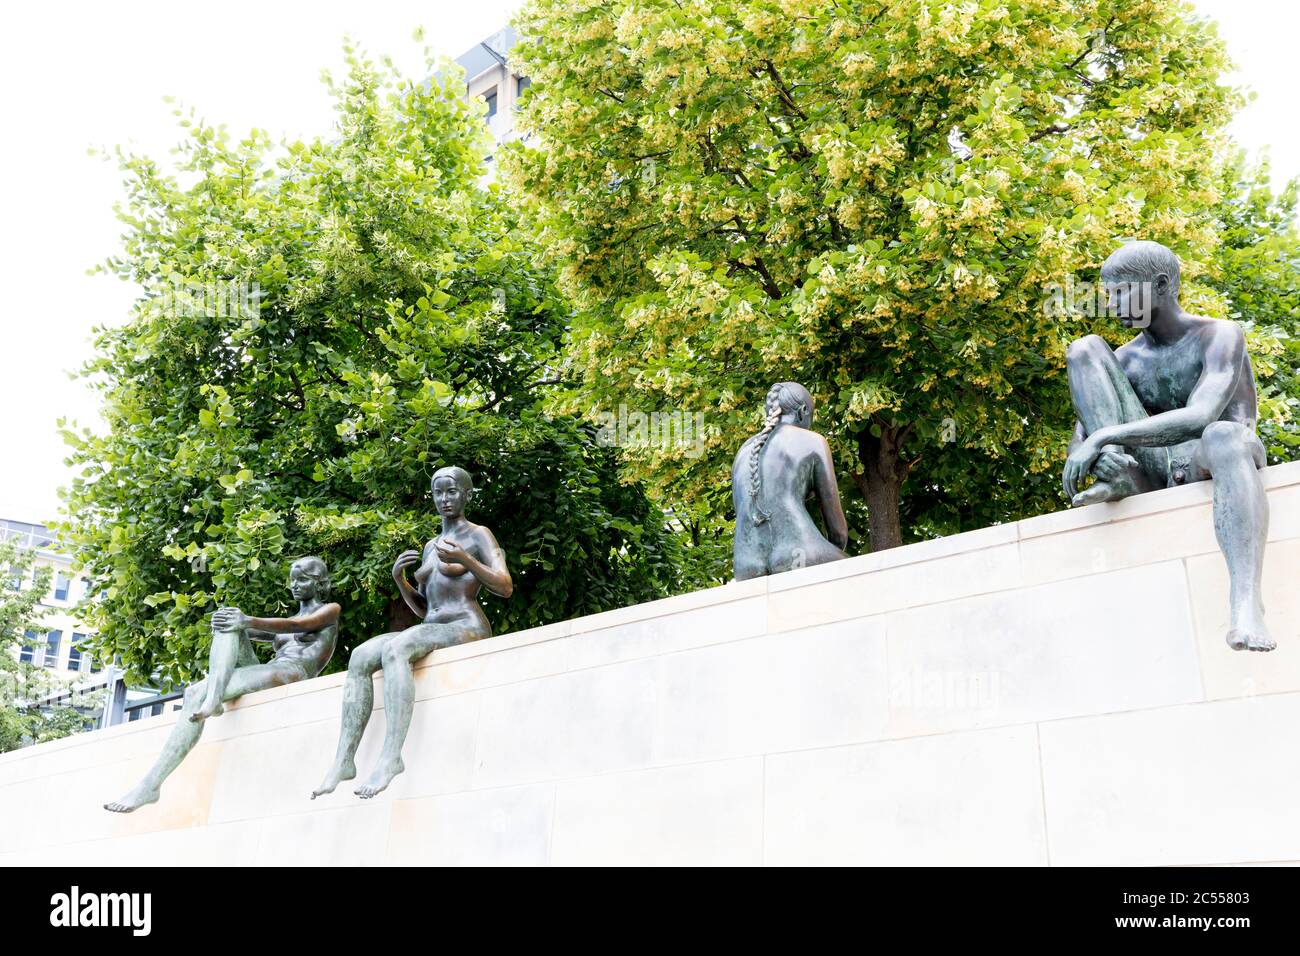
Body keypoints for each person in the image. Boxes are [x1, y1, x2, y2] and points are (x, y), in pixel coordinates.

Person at [1062, 239, 1273, 652]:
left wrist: (1106, 436)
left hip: (1212, 456)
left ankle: (1247, 603)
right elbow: (1079, 442)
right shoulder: (1125, 360)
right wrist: (1096, 456)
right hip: (1154, 469)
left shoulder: (1219, 335)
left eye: (1122, 291)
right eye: (1110, 294)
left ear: (1160, 285)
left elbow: (1202, 416)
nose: (1113, 304)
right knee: (1084, 348)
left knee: (1224, 434)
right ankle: (1120, 477)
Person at [312, 466, 512, 799]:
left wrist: (466, 558)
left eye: (451, 492)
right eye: (438, 493)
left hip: (466, 624)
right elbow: (425, 607)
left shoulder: (479, 535)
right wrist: (401, 582)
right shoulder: (431, 546)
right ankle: (344, 760)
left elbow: (504, 586)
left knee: (397, 649)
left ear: (467, 495)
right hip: (433, 624)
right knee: (360, 655)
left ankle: (391, 756)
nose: (444, 500)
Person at [104, 556, 340, 812]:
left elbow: (297, 625)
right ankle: (152, 784)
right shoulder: (287, 620)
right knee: (203, 675)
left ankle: (211, 700)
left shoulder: (330, 610)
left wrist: (247, 620)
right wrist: (226, 620)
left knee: (233, 629)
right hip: (270, 670)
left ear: (320, 584)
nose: (295, 585)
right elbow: (251, 628)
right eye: (292, 580)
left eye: (302, 580)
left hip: (293, 672)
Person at [732, 381, 848, 580]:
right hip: (799, 553)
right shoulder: (813, 441)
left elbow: (743, 512)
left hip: (745, 564)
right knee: (855, 569)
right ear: (803, 411)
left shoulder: (743, 451)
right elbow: (838, 533)